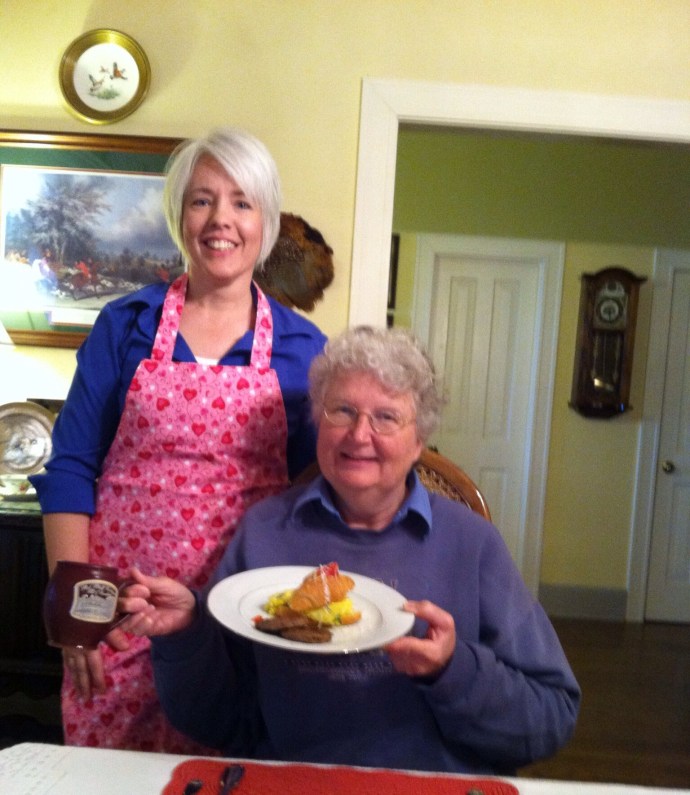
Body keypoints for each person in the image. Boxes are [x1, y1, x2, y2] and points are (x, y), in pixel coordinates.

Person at [120, 326, 580, 773]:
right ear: (318, 422)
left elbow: (551, 717)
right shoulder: (265, 532)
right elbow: (218, 721)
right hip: (292, 784)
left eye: (386, 417)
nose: (360, 435)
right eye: (342, 410)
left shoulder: (471, 544)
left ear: (419, 442)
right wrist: (185, 634)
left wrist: (450, 670)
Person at [30, 128, 327, 752]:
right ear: (179, 215)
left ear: (267, 220)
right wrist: (79, 612)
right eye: (202, 200)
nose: (221, 220)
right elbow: (71, 470)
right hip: (120, 614)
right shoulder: (125, 325)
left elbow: (317, 492)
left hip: (236, 620)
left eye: (242, 203)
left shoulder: (304, 349)